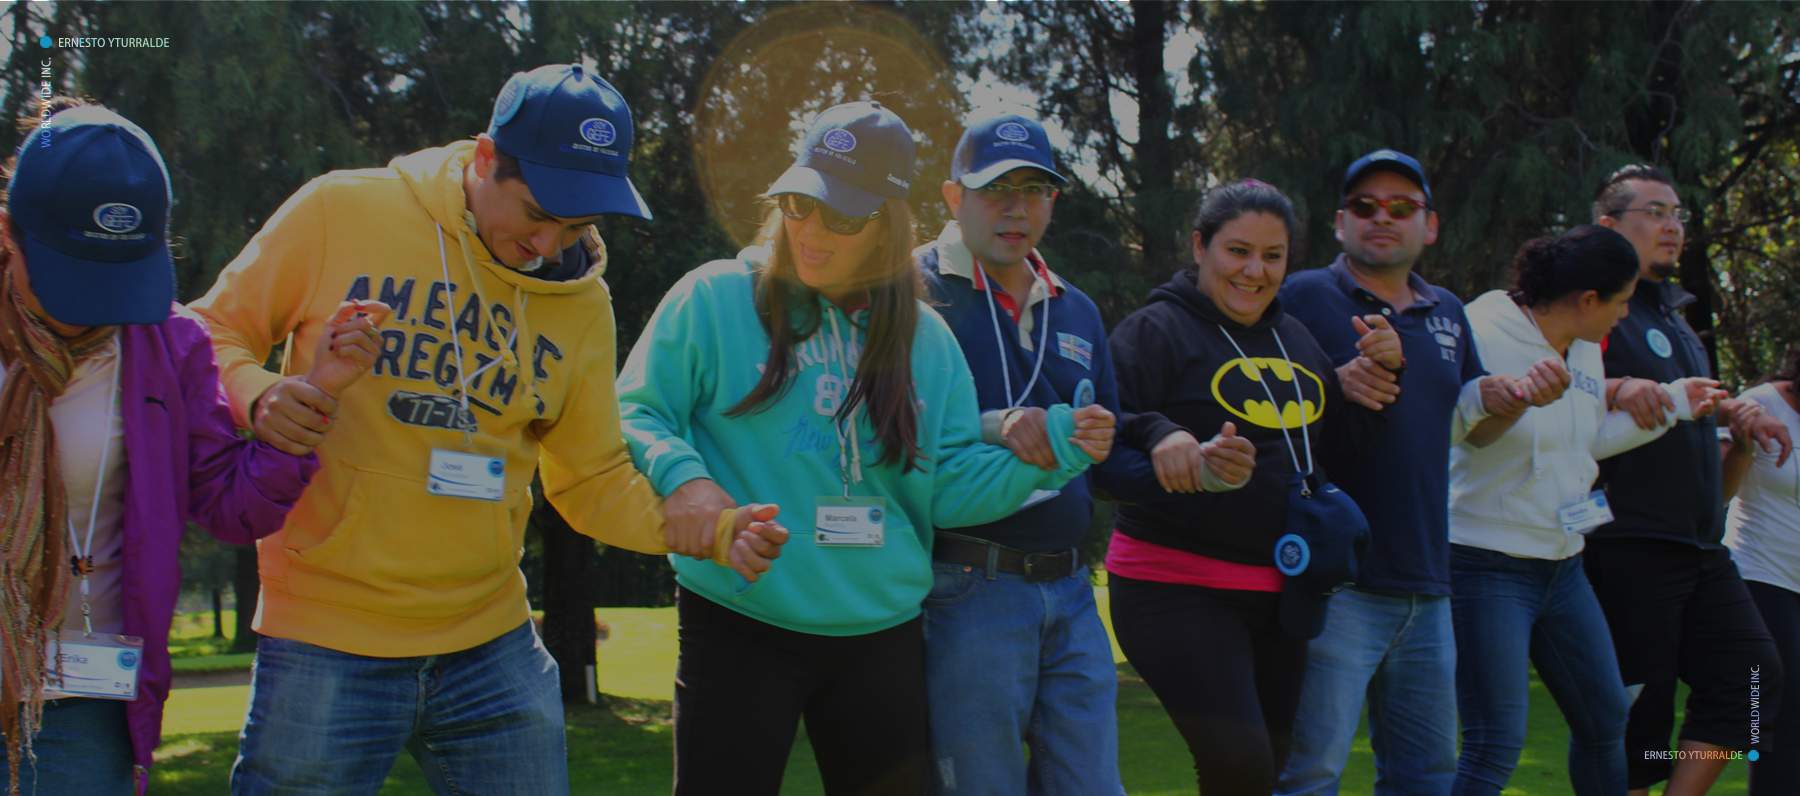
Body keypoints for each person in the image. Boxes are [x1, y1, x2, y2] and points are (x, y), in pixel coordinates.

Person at [190, 64, 787, 794]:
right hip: (326, 635)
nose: (547, 243)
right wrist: (258, 396)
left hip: (491, 644)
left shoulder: (581, 306)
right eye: (536, 213)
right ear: (482, 159)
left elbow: (590, 478)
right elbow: (207, 330)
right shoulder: (339, 210)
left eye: (576, 225)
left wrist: (706, 528)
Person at [616, 100, 1115, 795]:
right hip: (740, 620)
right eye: (798, 203)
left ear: (887, 224)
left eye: (843, 217)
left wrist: (1059, 449)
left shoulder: (926, 339)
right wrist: (686, 480)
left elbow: (946, 488)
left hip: (880, 635)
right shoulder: (715, 298)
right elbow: (638, 408)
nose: (812, 232)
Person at [0, 101, 377, 794]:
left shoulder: (168, 344)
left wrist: (311, 397)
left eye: (113, 276)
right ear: (8, 234)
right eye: (71, 278)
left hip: (78, 701)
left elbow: (226, 505)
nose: (93, 306)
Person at [1276, 149, 1558, 796]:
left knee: (1426, 777)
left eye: (1402, 207)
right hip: (1335, 583)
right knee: (1309, 772)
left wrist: (1510, 404)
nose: (1383, 218)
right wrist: (1330, 383)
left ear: (1429, 225)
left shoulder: (1448, 313)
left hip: (1429, 584)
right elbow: (1258, 404)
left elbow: (1476, 429)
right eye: (1365, 206)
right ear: (1340, 223)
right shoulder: (1300, 297)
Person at [1105, 179, 1384, 794]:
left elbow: (1336, 453)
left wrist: (1376, 382)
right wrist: (1162, 437)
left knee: (1264, 770)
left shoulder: (1297, 339)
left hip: (1284, 594)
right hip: (1173, 586)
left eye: (1273, 255)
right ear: (1201, 246)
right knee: (1241, 768)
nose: (1255, 271)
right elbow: (1099, 446)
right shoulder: (1154, 330)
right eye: (1237, 251)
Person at [1448, 224, 1731, 796]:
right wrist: (1514, 395)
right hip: (1487, 562)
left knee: (1607, 721)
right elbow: (1460, 432)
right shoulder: (1482, 328)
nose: (1625, 315)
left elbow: (1582, 440)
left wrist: (1675, 404)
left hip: (1563, 564)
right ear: (1587, 300)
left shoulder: (1580, 346)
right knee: (1495, 743)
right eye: (1622, 302)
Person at [909, 110, 1138, 795]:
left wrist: (1183, 462)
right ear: (953, 196)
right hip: (967, 585)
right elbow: (894, 431)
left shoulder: (1077, 308)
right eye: (995, 189)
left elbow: (1107, 448)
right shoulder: (908, 289)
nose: (1016, 208)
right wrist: (995, 424)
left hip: (1070, 588)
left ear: (1053, 201)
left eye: (1033, 190)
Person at [1583, 164, 1790, 796]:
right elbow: (1557, 388)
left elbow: (1688, 406)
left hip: (1701, 546)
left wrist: (1735, 411)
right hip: (1628, 543)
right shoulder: (1593, 307)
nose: (1671, 226)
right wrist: (1619, 385)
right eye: (1654, 212)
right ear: (1609, 226)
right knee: (1638, 712)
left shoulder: (1677, 318)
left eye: (1677, 214)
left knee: (1754, 674)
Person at [1723, 345, 1800, 796]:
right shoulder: (1761, 404)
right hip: (1760, 575)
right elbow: (1717, 490)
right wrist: (1743, 445)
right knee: (1770, 710)